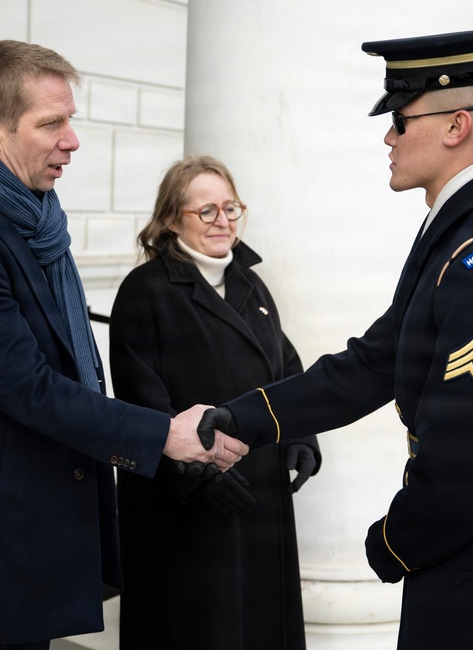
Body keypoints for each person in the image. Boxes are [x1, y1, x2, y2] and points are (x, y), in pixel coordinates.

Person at [198, 26, 473, 649]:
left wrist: (396, 541)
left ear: (456, 126)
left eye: (400, 120)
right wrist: (242, 418)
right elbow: (375, 362)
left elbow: (469, 454)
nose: (387, 136)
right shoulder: (459, 228)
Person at [0, 40, 247, 650]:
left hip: (33, 518)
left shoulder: (35, 221)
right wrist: (162, 434)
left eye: (71, 120)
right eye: (51, 123)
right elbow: (26, 386)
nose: (72, 140)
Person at [108, 155, 321, 650]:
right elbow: (144, 403)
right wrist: (199, 478)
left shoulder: (250, 282)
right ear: (169, 220)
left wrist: (303, 435)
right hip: (186, 508)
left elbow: (285, 366)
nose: (223, 220)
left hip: (258, 493)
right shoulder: (146, 291)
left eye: (230, 208)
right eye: (206, 211)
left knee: (260, 626)